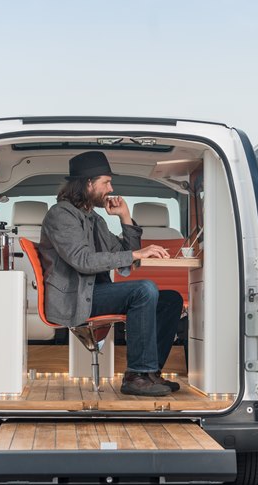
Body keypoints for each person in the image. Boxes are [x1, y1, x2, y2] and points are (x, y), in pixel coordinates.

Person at [38, 151, 184, 397]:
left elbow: (127, 255)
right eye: (106, 182)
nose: (111, 188)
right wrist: (135, 254)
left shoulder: (94, 219)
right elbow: (83, 261)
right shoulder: (61, 215)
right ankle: (136, 376)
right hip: (76, 297)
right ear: (88, 183)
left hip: (94, 292)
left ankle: (149, 373)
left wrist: (125, 217)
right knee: (144, 289)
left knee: (171, 299)